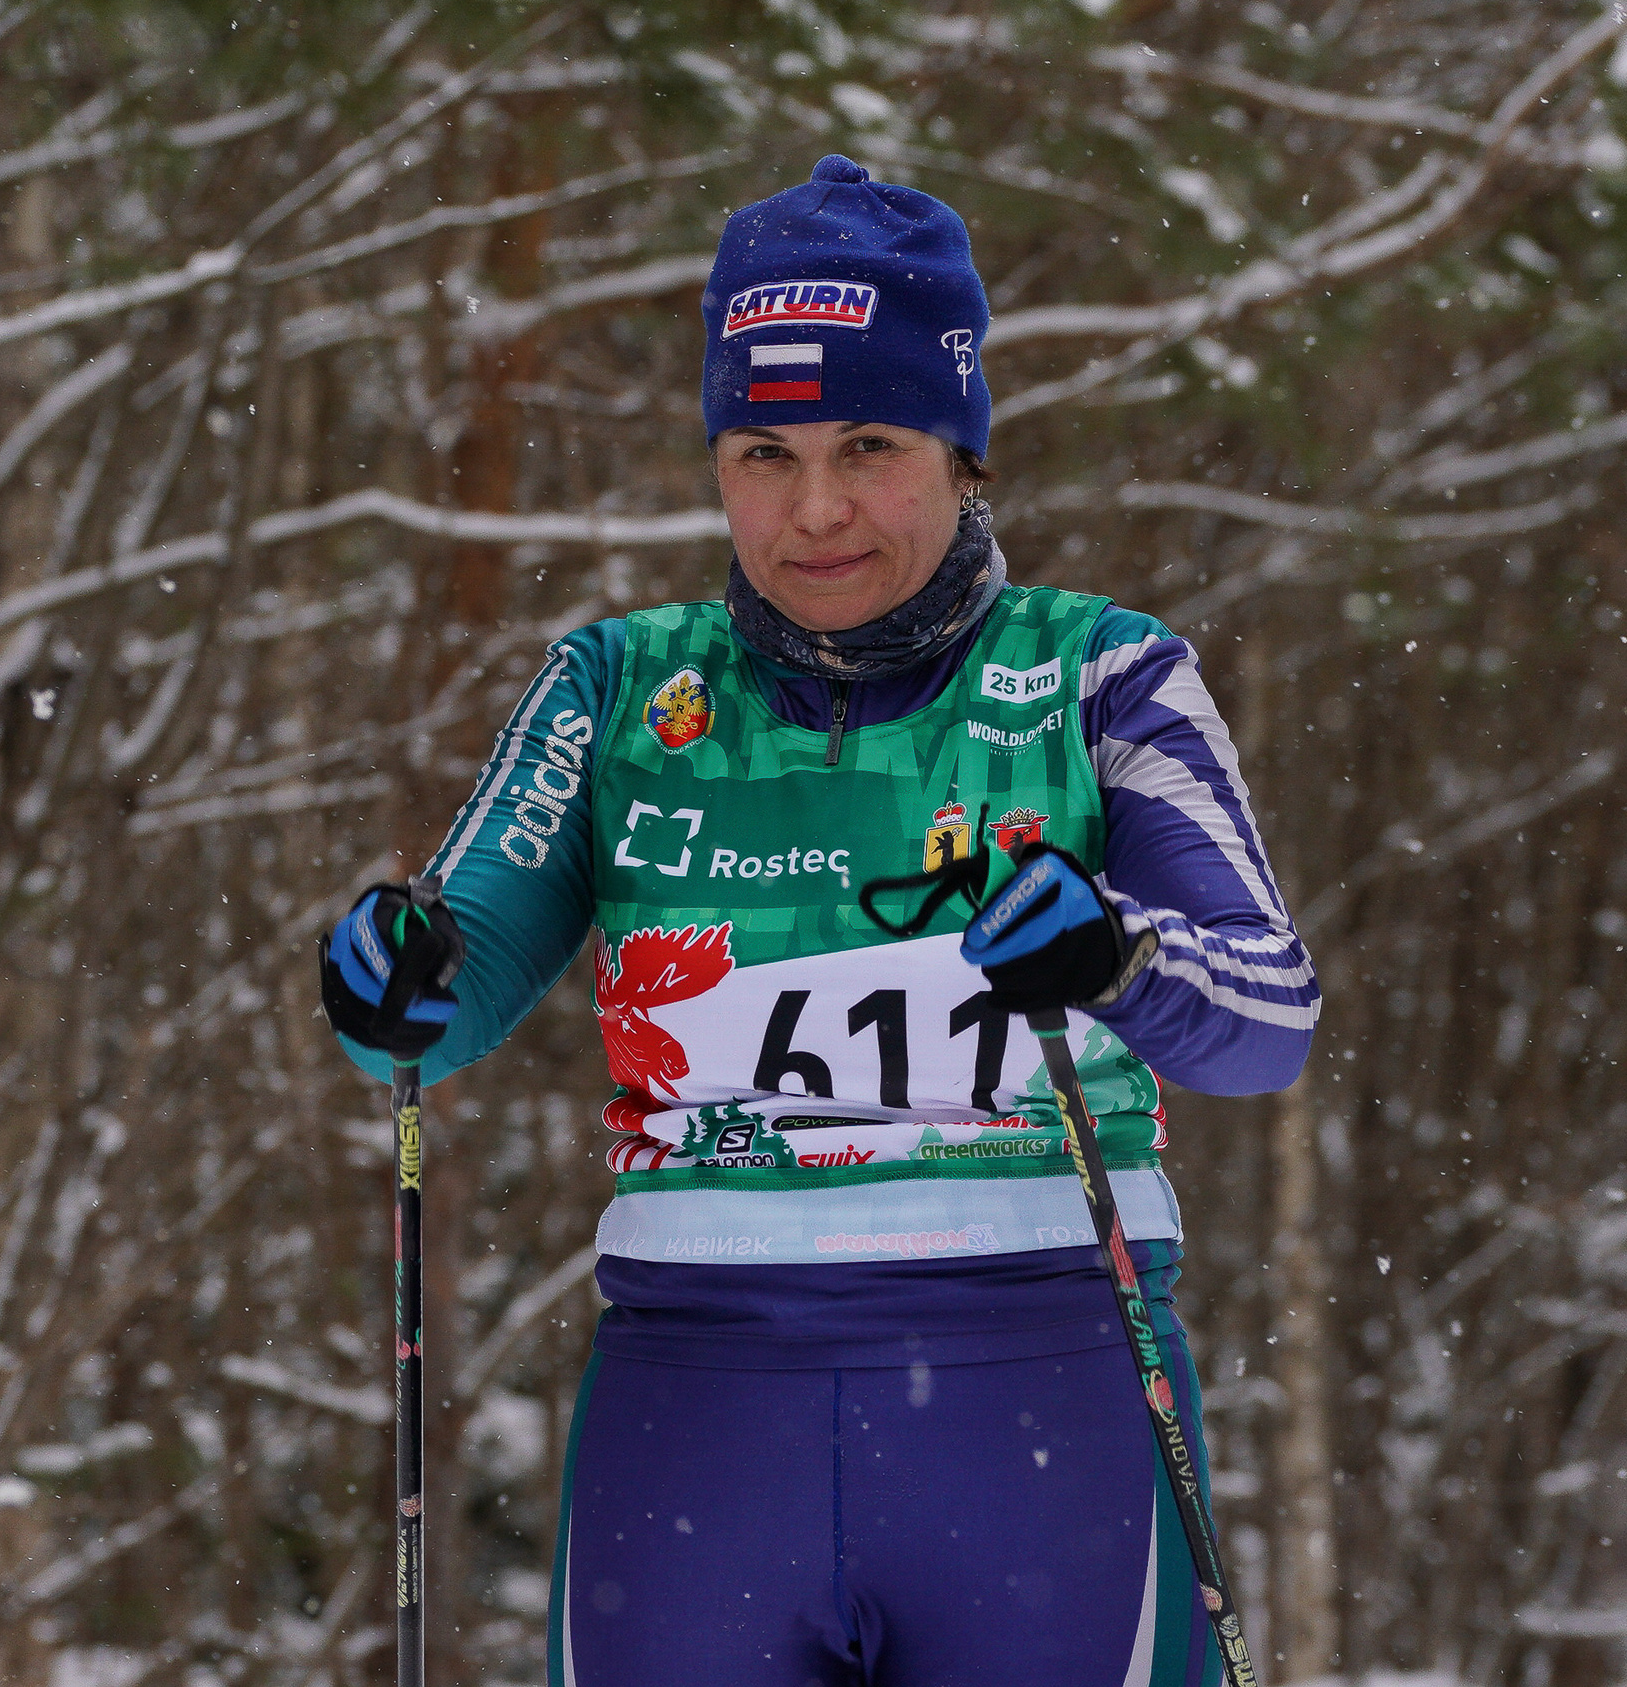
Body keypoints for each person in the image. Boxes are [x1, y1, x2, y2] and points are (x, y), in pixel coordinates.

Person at [319, 153, 1316, 1687]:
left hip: (1039, 1386)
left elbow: (1265, 1020)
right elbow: (447, 985)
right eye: (764, 453)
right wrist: (393, 973)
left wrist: (1114, 954)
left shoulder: (1100, 677)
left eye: (870, 443)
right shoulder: (617, 694)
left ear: (965, 449)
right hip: (699, 1408)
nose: (819, 509)